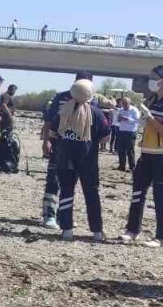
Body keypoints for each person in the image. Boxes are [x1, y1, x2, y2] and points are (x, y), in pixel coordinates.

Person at [120, 65, 163, 248]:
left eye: (154, 77)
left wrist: (149, 117)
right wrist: (143, 119)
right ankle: (132, 230)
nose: (151, 80)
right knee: (138, 191)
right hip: (147, 152)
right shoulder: (154, 99)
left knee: (161, 196)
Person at [50, 79, 110, 241]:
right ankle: (97, 231)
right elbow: (106, 136)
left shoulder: (64, 110)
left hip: (65, 158)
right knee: (91, 194)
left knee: (66, 192)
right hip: (87, 159)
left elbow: (53, 132)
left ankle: (66, 229)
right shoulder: (96, 113)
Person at [41, 73, 95, 229]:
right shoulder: (61, 98)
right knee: (53, 179)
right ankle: (49, 215)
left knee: (70, 182)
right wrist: (46, 141)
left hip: (79, 148)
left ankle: (64, 215)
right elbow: (49, 120)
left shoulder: (93, 101)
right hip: (59, 144)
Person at [113, 96, 139, 172]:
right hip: (122, 131)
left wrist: (127, 119)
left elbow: (137, 121)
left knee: (130, 150)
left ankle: (132, 167)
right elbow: (118, 120)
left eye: (125, 104)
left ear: (129, 103)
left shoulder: (134, 110)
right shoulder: (121, 110)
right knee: (121, 150)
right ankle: (122, 166)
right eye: (123, 103)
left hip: (131, 132)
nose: (124, 105)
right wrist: (119, 118)